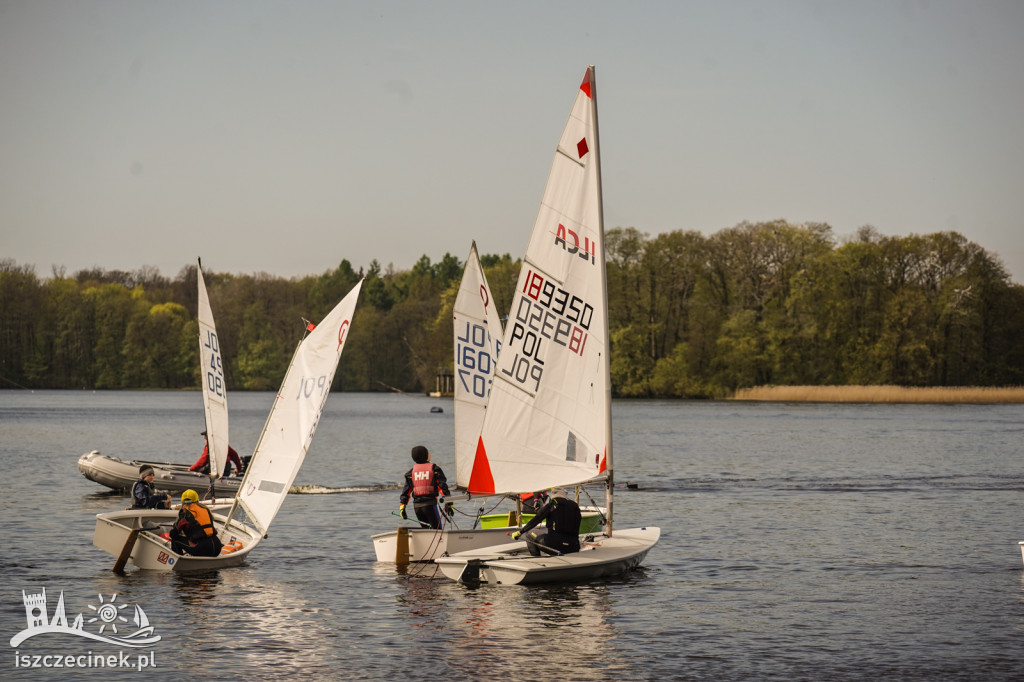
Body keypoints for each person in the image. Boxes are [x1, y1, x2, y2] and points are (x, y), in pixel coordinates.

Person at [512, 487, 582, 557]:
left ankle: (537, 559)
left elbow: (535, 520)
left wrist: (520, 532)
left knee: (529, 533)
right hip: (574, 546)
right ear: (565, 494)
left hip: (555, 546)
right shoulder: (575, 506)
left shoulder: (551, 505)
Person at [398, 445, 452, 530]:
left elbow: (406, 491)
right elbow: (442, 487)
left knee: (425, 530)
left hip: (417, 507)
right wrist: (449, 503)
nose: (430, 453)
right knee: (437, 530)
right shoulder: (434, 469)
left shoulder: (411, 472)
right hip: (430, 506)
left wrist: (402, 507)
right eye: (428, 452)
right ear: (425, 455)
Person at [169, 489, 223, 557]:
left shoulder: (185, 513)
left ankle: (181, 564)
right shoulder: (205, 509)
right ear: (197, 500)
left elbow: (173, 534)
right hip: (217, 546)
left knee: (175, 541)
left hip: (202, 548)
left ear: (183, 501)